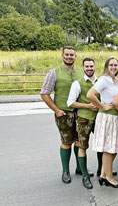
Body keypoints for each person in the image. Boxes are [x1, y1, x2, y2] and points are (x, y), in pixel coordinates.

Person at [40, 46, 88, 184]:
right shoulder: (54, 72)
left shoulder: (81, 71)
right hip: (63, 112)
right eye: (66, 55)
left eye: (71, 55)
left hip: (80, 112)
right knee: (66, 142)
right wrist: (56, 110)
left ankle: (80, 168)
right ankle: (65, 171)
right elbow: (44, 93)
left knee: (80, 141)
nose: (69, 57)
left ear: (76, 56)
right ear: (62, 55)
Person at [87, 57, 118, 188]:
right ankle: (109, 178)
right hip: (107, 118)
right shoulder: (104, 80)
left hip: (116, 117)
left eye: (116, 65)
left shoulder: (117, 81)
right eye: (111, 65)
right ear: (107, 67)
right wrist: (102, 106)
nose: (114, 67)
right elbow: (90, 94)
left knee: (113, 149)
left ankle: (103, 174)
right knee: (108, 150)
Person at [66, 58, 98, 189]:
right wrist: (89, 106)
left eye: (91, 66)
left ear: (95, 67)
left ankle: (102, 171)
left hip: (99, 118)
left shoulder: (100, 81)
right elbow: (70, 102)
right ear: (83, 68)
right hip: (83, 118)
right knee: (82, 147)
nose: (89, 68)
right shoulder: (77, 83)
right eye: (87, 66)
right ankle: (85, 175)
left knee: (102, 144)